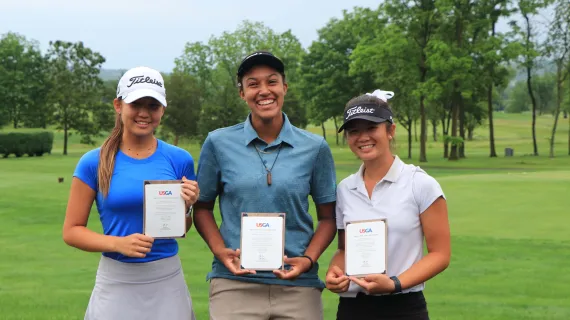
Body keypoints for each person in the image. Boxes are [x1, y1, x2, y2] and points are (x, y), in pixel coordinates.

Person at [193, 51, 337, 320]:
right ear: (242, 93)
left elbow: (328, 217)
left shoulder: (315, 147)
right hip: (234, 284)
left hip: (298, 287)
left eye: (271, 82)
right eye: (253, 84)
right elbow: (202, 207)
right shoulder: (218, 143)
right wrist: (219, 250)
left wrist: (307, 260)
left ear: (284, 87)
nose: (264, 91)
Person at [62, 66, 200, 320]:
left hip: (166, 279)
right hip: (116, 280)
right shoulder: (93, 162)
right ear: (118, 105)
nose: (144, 113)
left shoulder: (180, 159)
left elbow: (180, 228)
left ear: (163, 110)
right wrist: (117, 243)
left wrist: (188, 207)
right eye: (136, 104)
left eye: (153, 106)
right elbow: (71, 231)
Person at [325, 90, 451, 320]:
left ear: (390, 130)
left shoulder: (420, 184)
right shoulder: (345, 189)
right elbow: (345, 250)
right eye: (354, 131)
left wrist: (394, 283)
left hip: (403, 306)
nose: (362, 137)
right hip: (353, 307)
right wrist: (335, 271)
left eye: (371, 128)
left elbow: (440, 254)